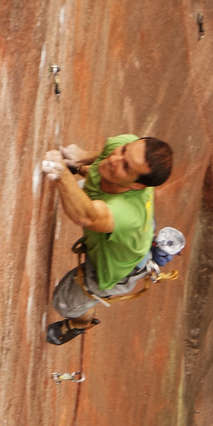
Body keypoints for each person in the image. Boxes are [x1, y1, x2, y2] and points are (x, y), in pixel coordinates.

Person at [42, 134, 173, 345]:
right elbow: (107, 152)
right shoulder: (125, 145)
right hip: (132, 231)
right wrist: (81, 157)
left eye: (126, 167)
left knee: (64, 302)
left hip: (114, 267)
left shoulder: (126, 214)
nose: (114, 159)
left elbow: (86, 216)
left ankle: (80, 323)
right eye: (123, 151)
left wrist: (62, 174)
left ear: (138, 186)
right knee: (87, 183)